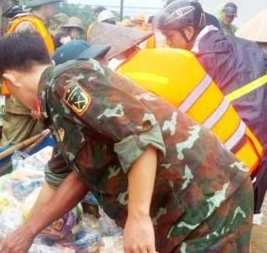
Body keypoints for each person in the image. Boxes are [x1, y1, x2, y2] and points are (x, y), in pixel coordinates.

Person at [0, 32, 252, 253]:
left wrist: (138, 217)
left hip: (208, 204)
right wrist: (26, 231)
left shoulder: (69, 80)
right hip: (172, 215)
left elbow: (139, 134)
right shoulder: (57, 112)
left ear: (11, 79)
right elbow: (67, 179)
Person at [89, 22, 263, 175]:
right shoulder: (179, 55)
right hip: (248, 148)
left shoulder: (127, 81)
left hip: (221, 167)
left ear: (106, 59)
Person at [155, 0, 267, 223]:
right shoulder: (244, 44)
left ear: (188, 31)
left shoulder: (199, 61)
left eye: (170, 37)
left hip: (239, 147)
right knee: (246, 210)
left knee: (224, 218)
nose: (167, 44)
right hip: (260, 140)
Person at [1, 0, 62, 144]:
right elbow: (24, 67)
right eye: (54, 4)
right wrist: (34, 103)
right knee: (14, 145)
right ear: (46, 5)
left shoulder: (38, 25)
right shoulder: (27, 26)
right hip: (23, 97)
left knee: (34, 144)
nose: (56, 8)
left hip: (33, 96)